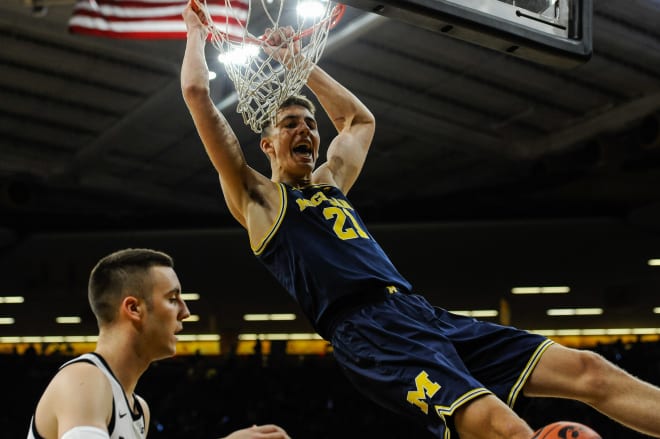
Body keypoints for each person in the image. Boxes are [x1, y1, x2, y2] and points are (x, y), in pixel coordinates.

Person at [180, 2, 660, 438]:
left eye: (309, 124)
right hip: (368, 331)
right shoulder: (259, 200)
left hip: (419, 312)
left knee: (589, 370)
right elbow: (197, 93)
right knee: (504, 428)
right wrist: (195, 34)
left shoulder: (330, 183)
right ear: (267, 145)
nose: (305, 129)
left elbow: (359, 121)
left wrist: (298, 65)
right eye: (290, 124)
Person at [26, 248, 291, 439]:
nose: (185, 311)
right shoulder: (84, 379)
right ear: (133, 308)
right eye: (173, 298)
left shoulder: (140, 408)